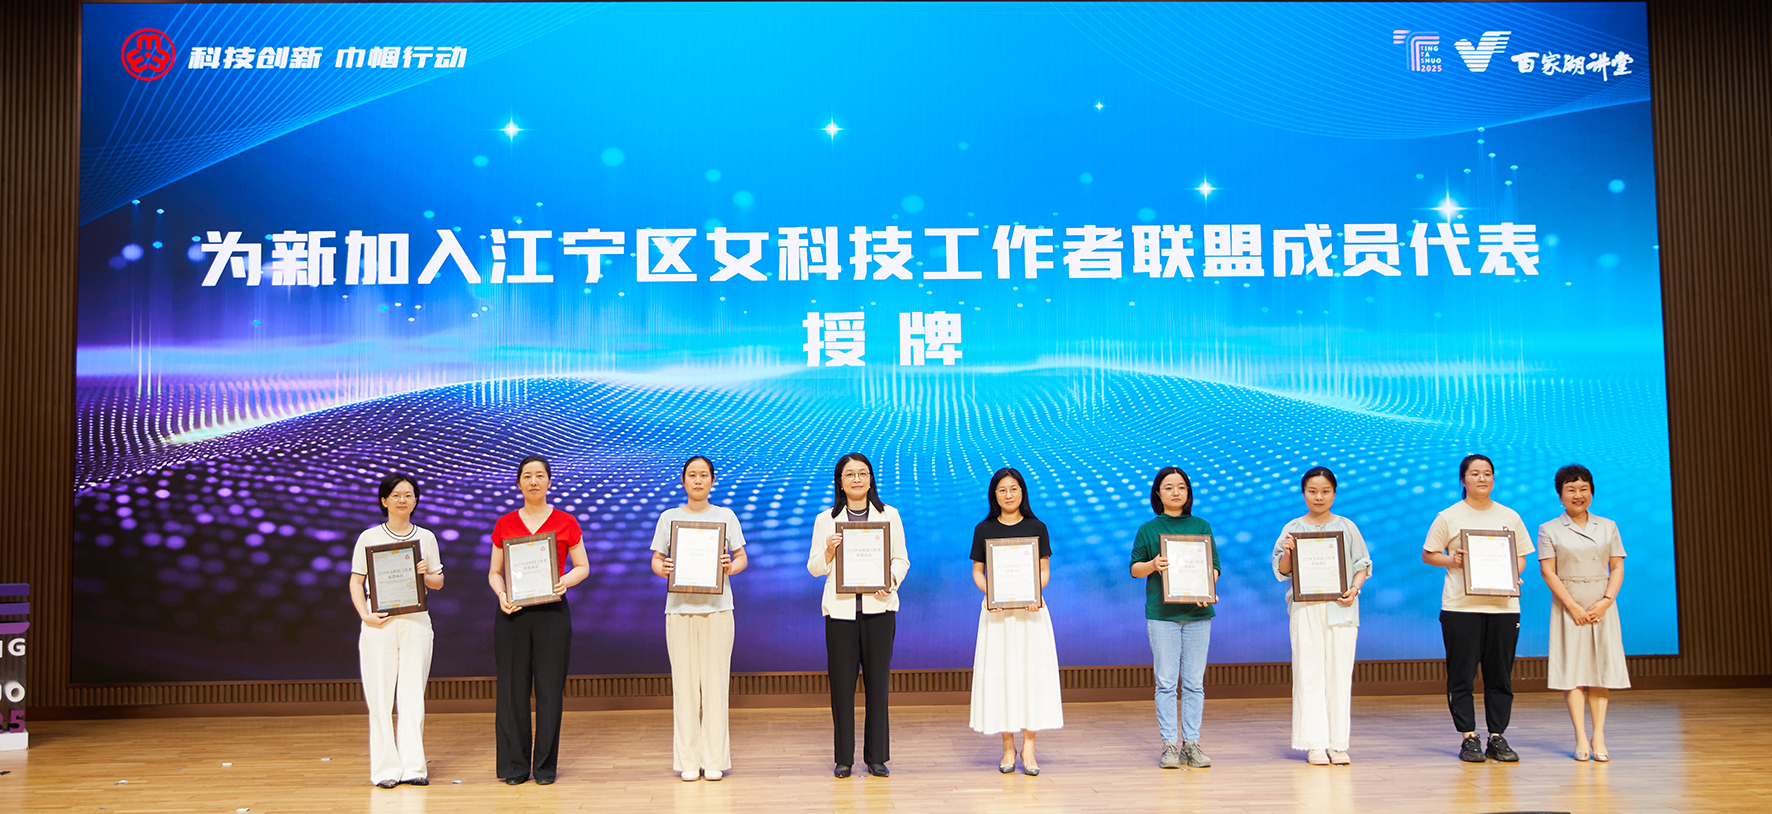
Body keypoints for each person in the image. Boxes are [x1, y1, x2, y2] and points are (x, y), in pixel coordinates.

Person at [1422, 454, 1532, 763]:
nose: (1482, 478)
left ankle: (1497, 737)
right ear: (1463, 480)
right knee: (1462, 675)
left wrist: (1512, 573)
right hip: (1460, 607)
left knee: (1500, 676)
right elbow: (1429, 554)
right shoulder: (1449, 516)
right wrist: (1452, 560)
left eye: (1487, 473)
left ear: (1493, 478)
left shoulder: (1509, 516)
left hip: (1504, 608)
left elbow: (1521, 557)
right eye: (1475, 473)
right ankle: (1468, 737)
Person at [488, 455, 590, 785]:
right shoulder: (505, 523)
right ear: (519, 483)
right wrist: (502, 594)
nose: (534, 481)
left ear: (549, 482)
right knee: (512, 691)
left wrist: (564, 581)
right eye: (527, 476)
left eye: (540, 475)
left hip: (552, 614)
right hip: (513, 614)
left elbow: (582, 566)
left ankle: (545, 767)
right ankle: (514, 767)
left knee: (549, 691)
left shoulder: (565, 521)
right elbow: (494, 572)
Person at [806, 452, 909, 778]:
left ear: (871, 479)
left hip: (879, 611)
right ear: (840, 481)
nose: (856, 479)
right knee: (841, 688)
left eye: (862, 473)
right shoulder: (826, 519)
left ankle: (877, 757)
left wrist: (891, 580)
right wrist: (828, 551)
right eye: (849, 474)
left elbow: (901, 560)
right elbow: (814, 568)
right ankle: (844, 759)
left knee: (878, 686)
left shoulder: (889, 514)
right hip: (840, 614)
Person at [649, 456, 749, 781]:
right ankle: (688, 761)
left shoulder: (725, 516)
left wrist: (729, 567)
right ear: (683, 480)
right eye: (692, 475)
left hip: (718, 610)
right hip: (679, 610)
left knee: (716, 684)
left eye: (703, 475)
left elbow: (741, 557)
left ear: (712, 480)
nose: (697, 480)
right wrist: (662, 568)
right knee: (685, 686)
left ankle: (715, 759)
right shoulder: (669, 518)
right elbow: (656, 560)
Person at [349, 473, 445, 788]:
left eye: (408, 494)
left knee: (412, 696)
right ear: (384, 500)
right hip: (380, 623)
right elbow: (356, 581)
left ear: (415, 500)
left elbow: (438, 582)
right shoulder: (369, 537)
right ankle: (385, 770)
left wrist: (424, 574)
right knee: (379, 697)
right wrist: (365, 615)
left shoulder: (426, 538)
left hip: (416, 622)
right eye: (396, 495)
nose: (403, 500)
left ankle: (414, 767)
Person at [1272, 467, 1372, 766]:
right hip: (1305, 609)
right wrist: (1288, 551)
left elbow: (1362, 563)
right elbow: (1282, 571)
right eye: (1313, 491)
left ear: (1334, 494)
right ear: (1303, 493)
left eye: (1325, 491)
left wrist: (1354, 589)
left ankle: (1337, 743)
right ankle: (1314, 744)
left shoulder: (1347, 527)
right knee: (1308, 673)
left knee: (1339, 674)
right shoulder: (1293, 528)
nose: (1319, 497)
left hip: (1341, 607)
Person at [968, 467, 1063, 776]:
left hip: (1031, 612)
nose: (1008, 495)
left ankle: (1029, 747)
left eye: (1014, 489)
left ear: (1023, 492)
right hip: (997, 614)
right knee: (1002, 675)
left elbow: (1044, 571)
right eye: (1002, 490)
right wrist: (992, 595)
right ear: (994, 495)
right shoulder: (984, 529)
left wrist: (1034, 593)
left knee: (1030, 675)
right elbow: (978, 573)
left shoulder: (1037, 527)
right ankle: (1008, 747)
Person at [1128, 466, 1219, 770]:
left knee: (1194, 682)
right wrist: (1153, 564)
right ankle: (1169, 744)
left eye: (1181, 486)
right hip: (1162, 615)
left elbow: (1214, 566)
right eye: (1168, 487)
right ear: (1158, 493)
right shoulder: (1148, 529)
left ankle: (1191, 744)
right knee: (1166, 682)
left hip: (1198, 614)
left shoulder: (1201, 525)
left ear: (1188, 492)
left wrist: (1207, 588)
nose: (1176, 492)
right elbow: (1135, 569)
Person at [1537, 464, 1629, 762]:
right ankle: (1580, 737)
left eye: (1584, 489)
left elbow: (1616, 566)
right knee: (1573, 672)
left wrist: (1606, 601)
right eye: (1571, 490)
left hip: (1602, 603)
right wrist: (1573, 607)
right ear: (1560, 495)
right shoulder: (1549, 529)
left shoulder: (1608, 526)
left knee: (1600, 670)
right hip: (1568, 605)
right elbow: (1548, 572)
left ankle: (1598, 735)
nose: (1578, 495)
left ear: (1592, 492)